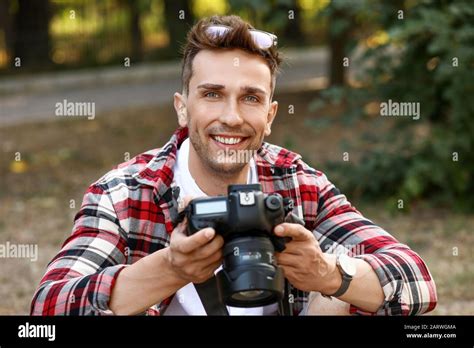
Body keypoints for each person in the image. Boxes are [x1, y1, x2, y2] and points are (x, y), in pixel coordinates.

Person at [31, 15, 437, 316]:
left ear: (271, 114)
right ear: (182, 107)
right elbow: (46, 314)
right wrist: (170, 268)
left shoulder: (297, 183)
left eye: (251, 98)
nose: (232, 117)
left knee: (338, 299)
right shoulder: (124, 193)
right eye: (212, 94)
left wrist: (328, 274)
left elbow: (418, 282)